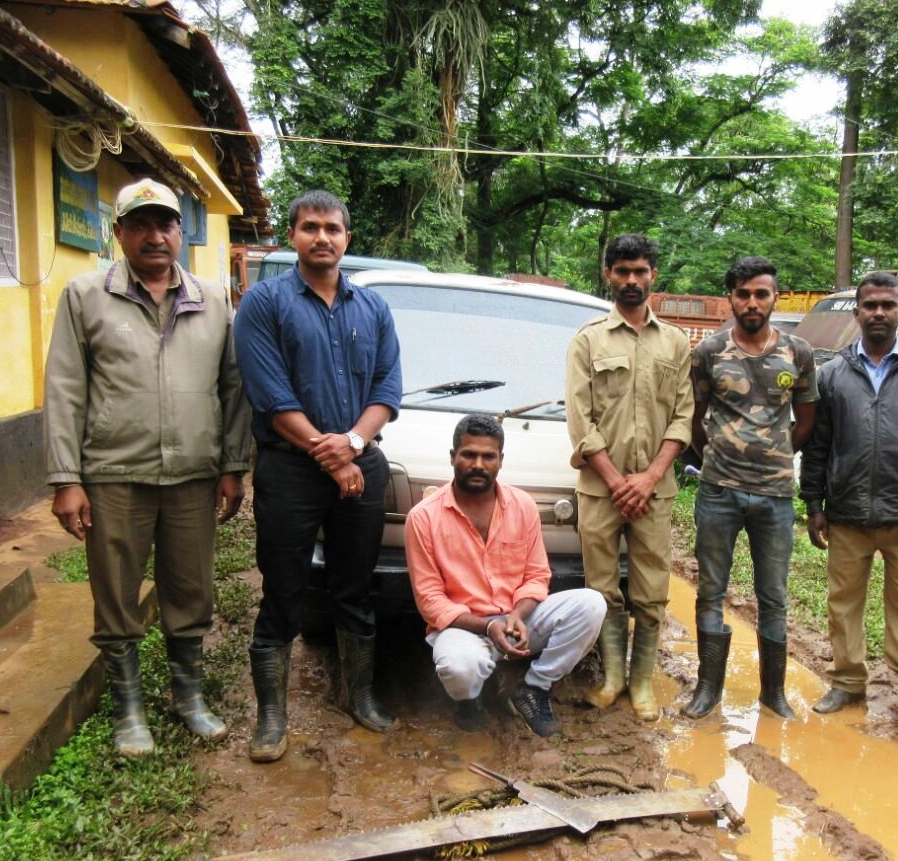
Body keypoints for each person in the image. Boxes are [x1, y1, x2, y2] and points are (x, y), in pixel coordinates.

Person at [44, 178, 251, 756]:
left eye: (166, 224)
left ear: (181, 232)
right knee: (116, 593)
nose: (155, 237)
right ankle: (128, 710)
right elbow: (65, 388)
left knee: (191, 590)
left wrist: (233, 466)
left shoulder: (213, 299)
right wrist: (66, 479)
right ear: (119, 234)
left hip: (192, 474)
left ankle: (187, 698)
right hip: (113, 475)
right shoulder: (85, 296)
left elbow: (232, 388)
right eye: (140, 225)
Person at [234, 189, 402, 762]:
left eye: (333, 228)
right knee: (283, 586)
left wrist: (354, 444)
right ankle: (272, 719)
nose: (322, 237)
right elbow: (269, 394)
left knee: (355, 585)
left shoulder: (373, 309)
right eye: (310, 227)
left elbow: (386, 388)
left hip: (360, 462)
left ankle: (359, 696)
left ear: (347, 238)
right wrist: (332, 456)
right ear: (292, 235)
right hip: (289, 468)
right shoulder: (263, 304)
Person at [800, 271, 898, 736]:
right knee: (843, 604)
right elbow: (817, 445)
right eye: (869, 305)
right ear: (857, 311)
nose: (878, 313)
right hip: (847, 513)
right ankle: (848, 682)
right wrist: (814, 502)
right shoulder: (832, 376)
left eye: (887, 305)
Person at [406, 415, 607, 736]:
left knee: (592, 604)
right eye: (469, 454)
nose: (478, 464)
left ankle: (534, 688)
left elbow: (537, 575)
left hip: (519, 620)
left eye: (488, 456)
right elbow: (430, 601)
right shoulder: (423, 518)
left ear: (500, 460)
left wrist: (516, 615)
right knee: (459, 666)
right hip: (465, 626)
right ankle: (469, 700)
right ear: (452, 457)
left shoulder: (522, 505)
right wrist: (488, 625)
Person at [565, 233, 694, 721]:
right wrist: (618, 480)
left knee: (651, 591)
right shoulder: (588, 340)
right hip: (601, 490)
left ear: (653, 276)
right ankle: (612, 677)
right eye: (623, 271)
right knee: (602, 590)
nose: (632, 280)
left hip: (655, 492)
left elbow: (683, 417)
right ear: (609, 275)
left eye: (640, 271)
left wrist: (650, 477)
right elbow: (580, 420)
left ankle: (642, 683)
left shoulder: (676, 342)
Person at [683, 257, 818, 720]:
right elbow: (696, 418)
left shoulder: (798, 353)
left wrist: (775, 457)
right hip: (719, 491)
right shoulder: (709, 352)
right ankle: (707, 690)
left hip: (775, 496)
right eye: (743, 294)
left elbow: (806, 422)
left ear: (775, 297)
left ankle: (773, 693)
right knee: (711, 590)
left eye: (761, 293)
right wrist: (716, 458)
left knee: (773, 595)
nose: (752, 302)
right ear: (731, 299)